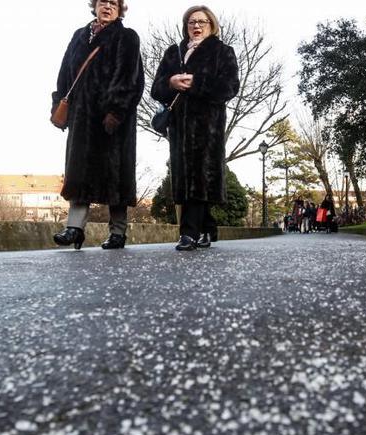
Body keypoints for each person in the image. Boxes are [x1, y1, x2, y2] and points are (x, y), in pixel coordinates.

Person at [51, 0, 144, 250]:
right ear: (94, 5)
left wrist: (115, 111)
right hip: (81, 117)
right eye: (103, 1)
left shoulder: (127, 37)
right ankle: (75, 228)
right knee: (79, 172)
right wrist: (58, 106)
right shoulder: (79, 36)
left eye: (114, 2)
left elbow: (130, 78)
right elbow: (65, 74)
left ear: (120, 8)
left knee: (116, 174)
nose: (108, 6)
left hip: (113, 118)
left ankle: (118, 232)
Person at [151, 5, 240, 251]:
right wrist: (171, 82)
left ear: (211, 25)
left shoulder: (223, 52)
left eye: (202, 21)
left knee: (200, 176)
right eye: (191, 22)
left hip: (208, 126)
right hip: (179, 126)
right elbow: (156, 89)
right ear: (185, 26)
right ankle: (208, 228)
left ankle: (188, 233)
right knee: (187, 176)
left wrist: (196, 83)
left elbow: (230, 87)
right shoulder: (173, 53)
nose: (196, 26)